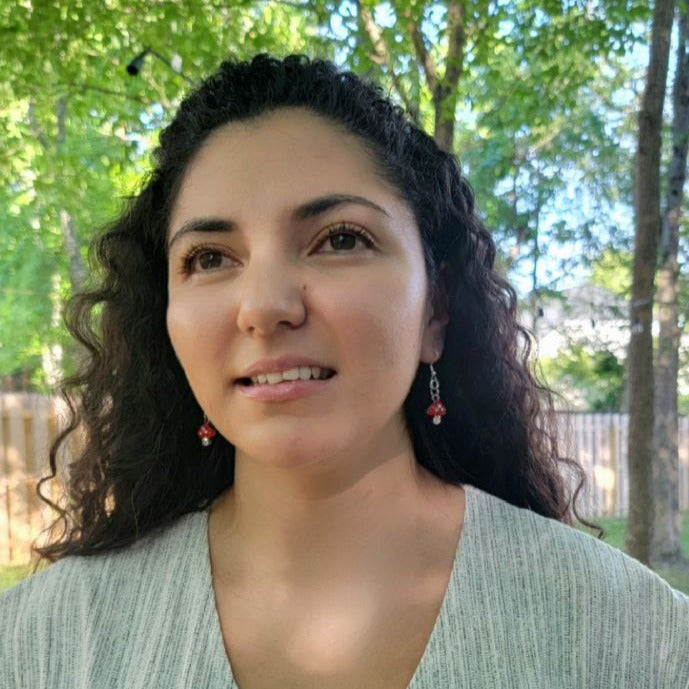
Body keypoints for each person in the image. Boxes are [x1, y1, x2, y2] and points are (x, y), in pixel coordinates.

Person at [1, 53, 688, 689]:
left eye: (339, 240)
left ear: (436, 311)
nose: (265, 306)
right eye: (209, 257)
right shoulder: (36, 648)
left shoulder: (636, 639)